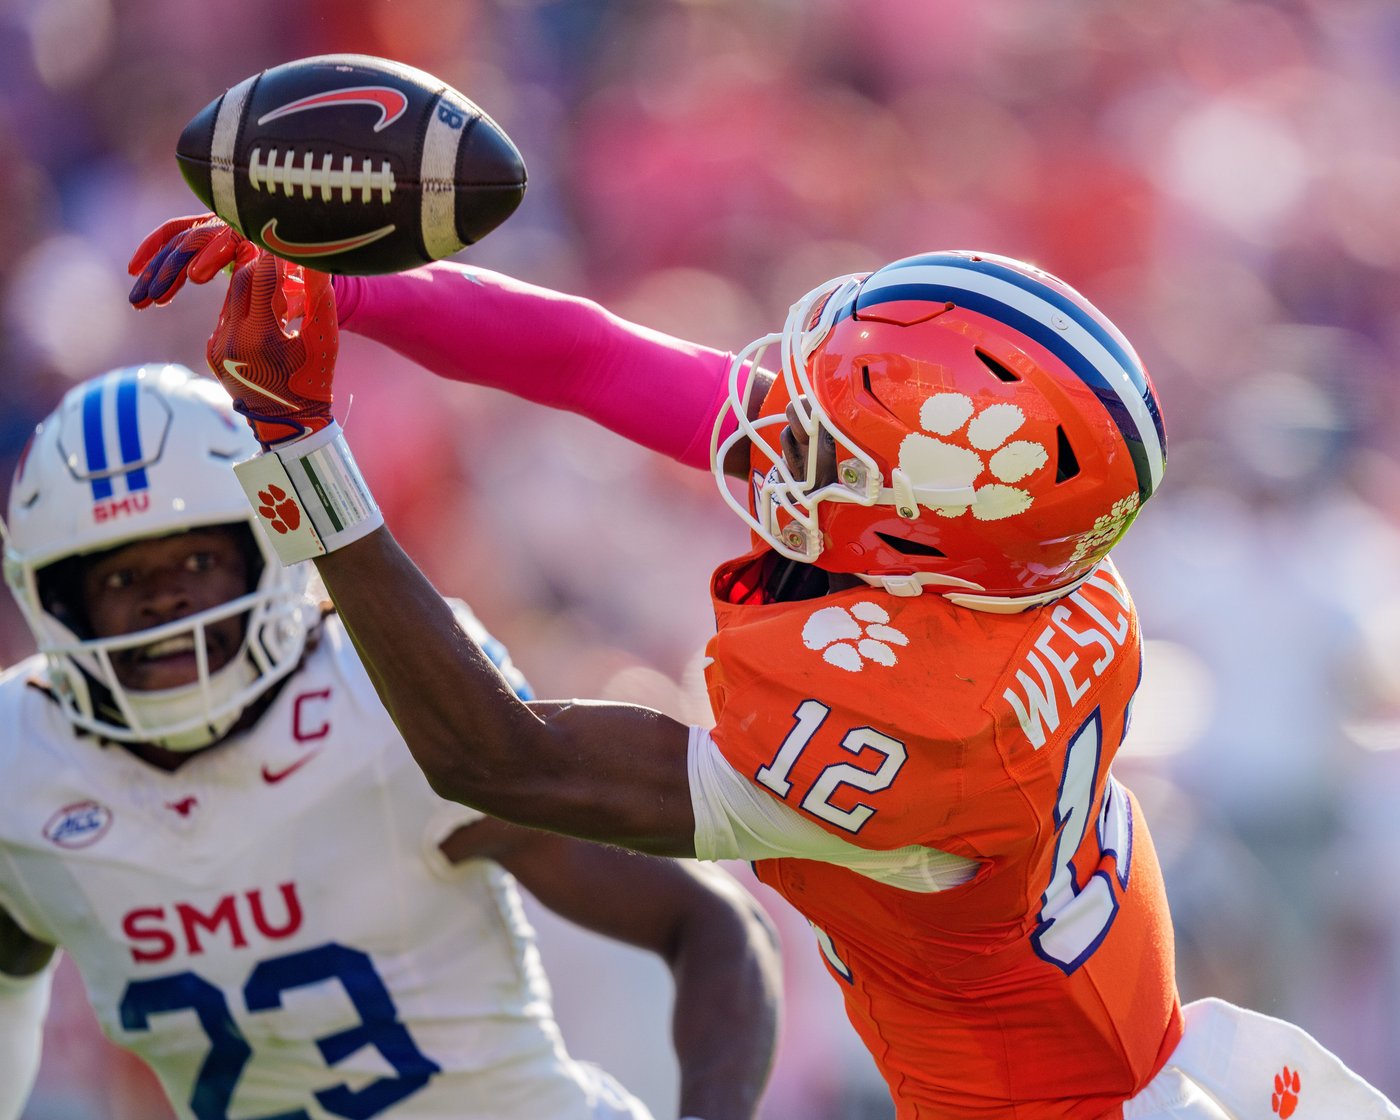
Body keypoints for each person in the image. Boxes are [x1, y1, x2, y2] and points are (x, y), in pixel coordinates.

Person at [130, 216, 1400, 1119]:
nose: (782, 427)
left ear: (911, 519)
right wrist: (341, 286)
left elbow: (498, 756)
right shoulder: (1016, 563)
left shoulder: (908, 737)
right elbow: (596, 361)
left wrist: (297, 447)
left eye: (833, 436)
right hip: (1140, 1050)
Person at [0, 362, 781, 1120]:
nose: (164, 599)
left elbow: (714, 926)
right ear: (58, 599)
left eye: (198, 560)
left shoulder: (372, 696)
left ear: (266, 553)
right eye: (120, 580)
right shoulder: (23, 763)